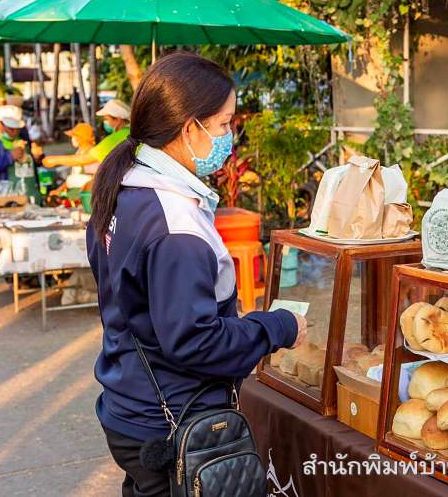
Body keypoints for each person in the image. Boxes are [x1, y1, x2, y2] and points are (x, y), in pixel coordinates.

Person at [86, 53, 307, 497]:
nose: (229, 137)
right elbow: (194, 340)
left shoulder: (127, 187)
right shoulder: (173, 224)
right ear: (190, 129)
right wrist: (279, 326)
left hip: (131, 404)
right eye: (224, 125)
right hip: (170, 419)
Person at [43, 99, 131, 169]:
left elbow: (85, 159)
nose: (105, 122)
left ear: (118, 120)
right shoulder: (129, 131)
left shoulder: (119, 136)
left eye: (106, 119)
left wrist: (55, 160)